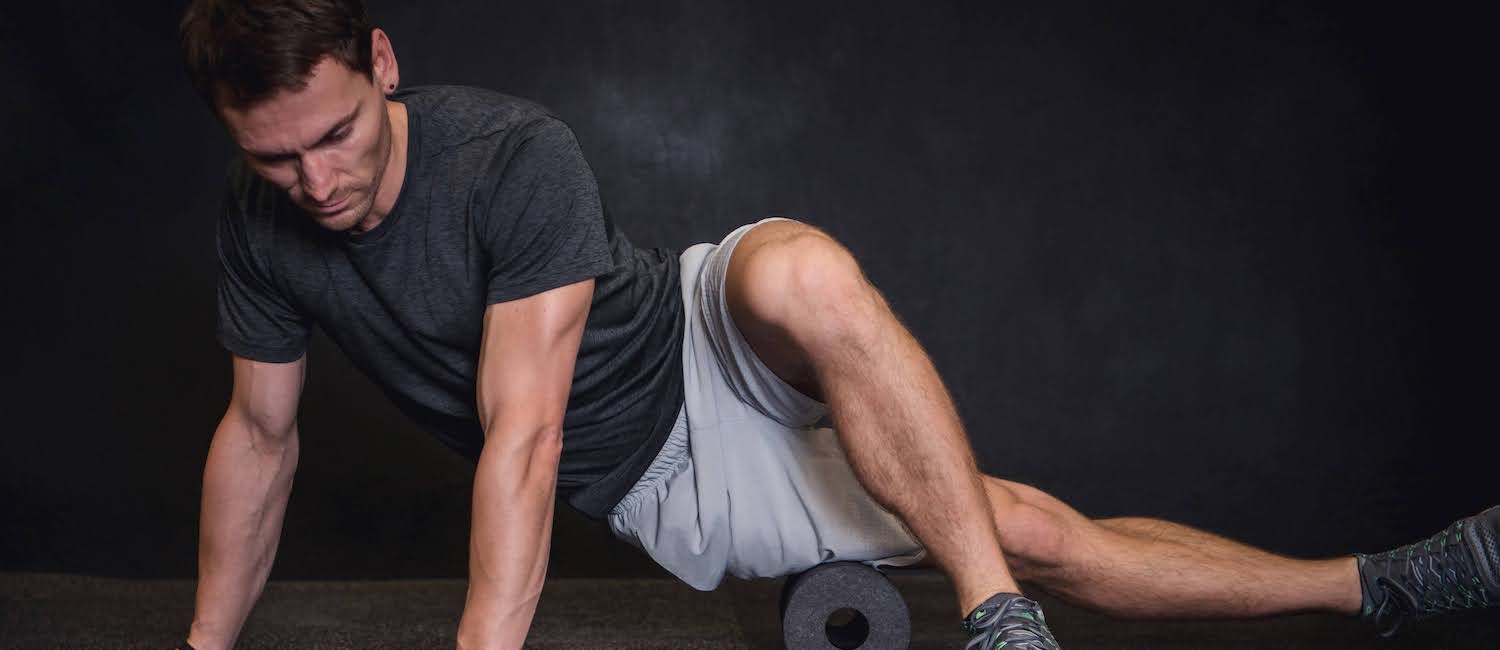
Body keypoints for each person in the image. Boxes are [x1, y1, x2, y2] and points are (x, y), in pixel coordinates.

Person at [175, 1, 1498, 649]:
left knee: (804, 271)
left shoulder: (508, 156)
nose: (317, 181)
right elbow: (261, 438)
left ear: (381, 62)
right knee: (1027, 525)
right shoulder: (258, 229)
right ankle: (1375, 583)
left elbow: (520, 438)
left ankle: (997, 621)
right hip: (674, 469)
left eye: (335, 134)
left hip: (694, 321)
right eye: (275, 157)